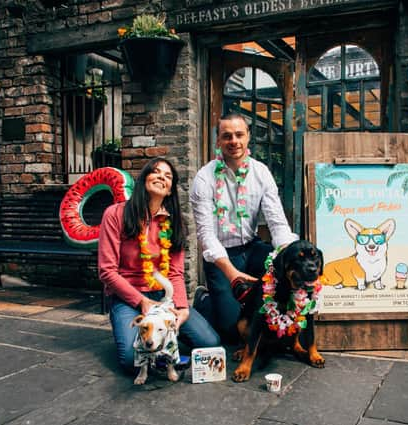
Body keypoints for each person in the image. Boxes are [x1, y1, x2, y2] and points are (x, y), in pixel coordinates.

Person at [99, 157, 220, 374]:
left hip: (165, 298)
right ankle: (140, 334)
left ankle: (163, 335)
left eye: (168, 176)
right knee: (130, 361)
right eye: (155, 172)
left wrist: (182, 308)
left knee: (210, 344)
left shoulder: (173, 222)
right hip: (128, 299)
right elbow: (107, 271)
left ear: (171, 190)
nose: (161, 177)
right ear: (145, 178)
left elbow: (175, 272)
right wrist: (142, 301)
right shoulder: (115, 214)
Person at [190, 113, 298, 342]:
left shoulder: (261, 173)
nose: (234, 141)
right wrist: (233, 275)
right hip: (220, 256)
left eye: (239, 134)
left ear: (248, 137)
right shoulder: (204, 178)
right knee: (230, 331)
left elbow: (277, 223)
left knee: (279, 263)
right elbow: (206, 235)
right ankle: (205, 299)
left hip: (251, 247)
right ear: (218, 141)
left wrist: (293, 256)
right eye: (227, 136)